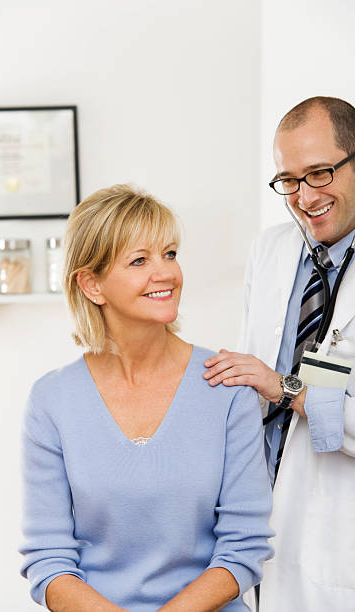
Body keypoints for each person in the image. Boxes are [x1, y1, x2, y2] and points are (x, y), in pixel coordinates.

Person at [20, 184, 273, 612]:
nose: (166, 273)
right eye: (139, 261)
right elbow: (49, 560)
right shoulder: (53, 400)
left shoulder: (226, 387)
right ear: (91, 285)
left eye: (170, 254)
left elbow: (244, 548)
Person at [204, 96, 355, 611]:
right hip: (256, 523)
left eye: (319, 173)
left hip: (337, 538)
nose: (303, 196)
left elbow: (274, 382)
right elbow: (252, 379)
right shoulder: (271, 250)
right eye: (287, 180)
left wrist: (285, 388)